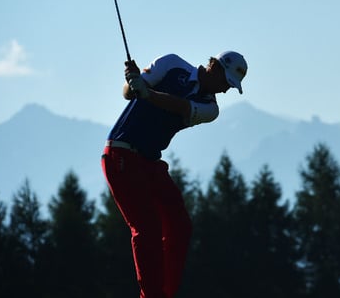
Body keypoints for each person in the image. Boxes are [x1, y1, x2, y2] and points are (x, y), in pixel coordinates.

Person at [101, 51, 248, 298]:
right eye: (226, 83)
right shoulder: (171, 64)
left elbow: (179, 106)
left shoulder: (210, 108)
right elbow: (129, 93)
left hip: (149, 162)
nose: (225, 91)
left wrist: (148, 94)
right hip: (121, 157)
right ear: (215, 68)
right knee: (146, 229)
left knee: (180, 225)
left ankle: (166, 293)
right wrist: (133, 81)